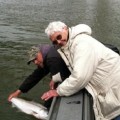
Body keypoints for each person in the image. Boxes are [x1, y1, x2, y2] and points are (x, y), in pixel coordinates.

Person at [41, 21, 120, 120]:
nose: (59, 42)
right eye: (55, 42)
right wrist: (55, 78)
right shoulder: (70, 45)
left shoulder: (82, 44)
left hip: (115, 94)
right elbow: (75, 69)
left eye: (59, 37)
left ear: (65, 28)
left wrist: (58, 91)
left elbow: (80, 77)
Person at [8, 44, 70, 109]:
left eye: (35, 58)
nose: (35, 62)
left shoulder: (52, 59)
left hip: (74, 77)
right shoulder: (47, 55)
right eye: (33, 61)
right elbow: (35, 76)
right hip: (64, 70)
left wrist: (55, 79)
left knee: (48, 103)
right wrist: (18, 91)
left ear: (40, 52)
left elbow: (64, 76)